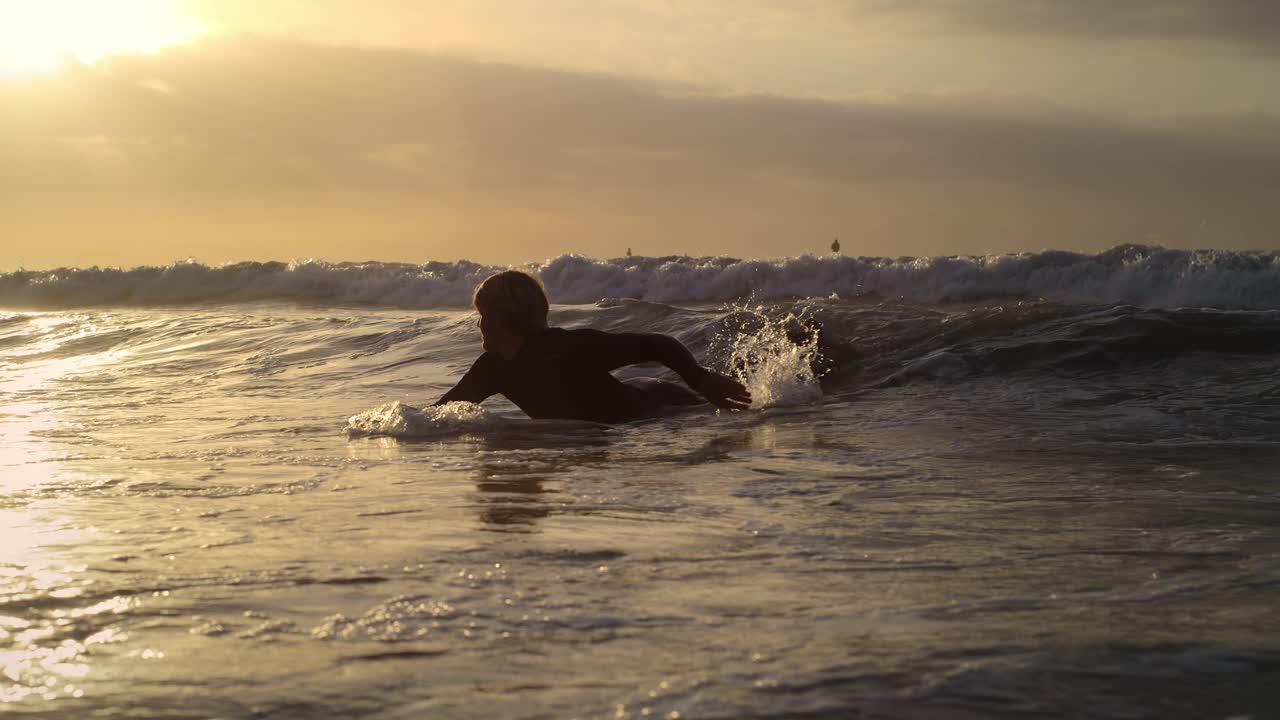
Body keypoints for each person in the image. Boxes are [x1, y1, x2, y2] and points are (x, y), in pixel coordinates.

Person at [433, 270, 751, 423]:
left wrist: (700, 379)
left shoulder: (569, 349)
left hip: (659, 405)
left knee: (743, 403)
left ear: (503, 318)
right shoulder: (493, 368)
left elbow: (657, 345)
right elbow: (439, 413)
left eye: (483, 315)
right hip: (620, 410)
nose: (478, 324)